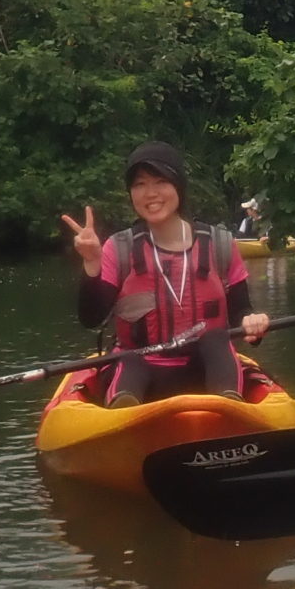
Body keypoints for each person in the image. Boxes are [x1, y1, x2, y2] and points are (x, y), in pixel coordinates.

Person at [62, 142, 271, 405]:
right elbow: (91, 319)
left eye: (160, 181)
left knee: (217, 339)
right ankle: (125, 412)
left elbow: (241, 312)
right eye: (139, 185)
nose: (150, 193)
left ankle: (227, 409)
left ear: (178, 187)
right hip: (140, 374)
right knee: (128, 355)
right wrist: (92, 263)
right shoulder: (120, 248)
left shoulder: (219, 245)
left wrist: (252, 323)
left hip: (207, 373)